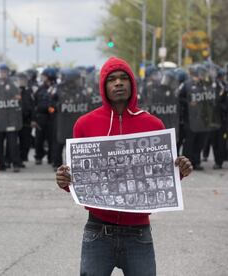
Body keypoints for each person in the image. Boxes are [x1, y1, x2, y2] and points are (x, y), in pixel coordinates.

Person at [55, 57, 193, 276]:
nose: (118, 83)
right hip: (97, 231)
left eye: (123, 78)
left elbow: (160, 177)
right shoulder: (84, 124)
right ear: (103, 87)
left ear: (132, 83)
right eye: (111, 80)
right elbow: (77, 179)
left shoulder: (153, 124)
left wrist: (179, 171)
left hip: (139, 232)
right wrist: (64, 181)